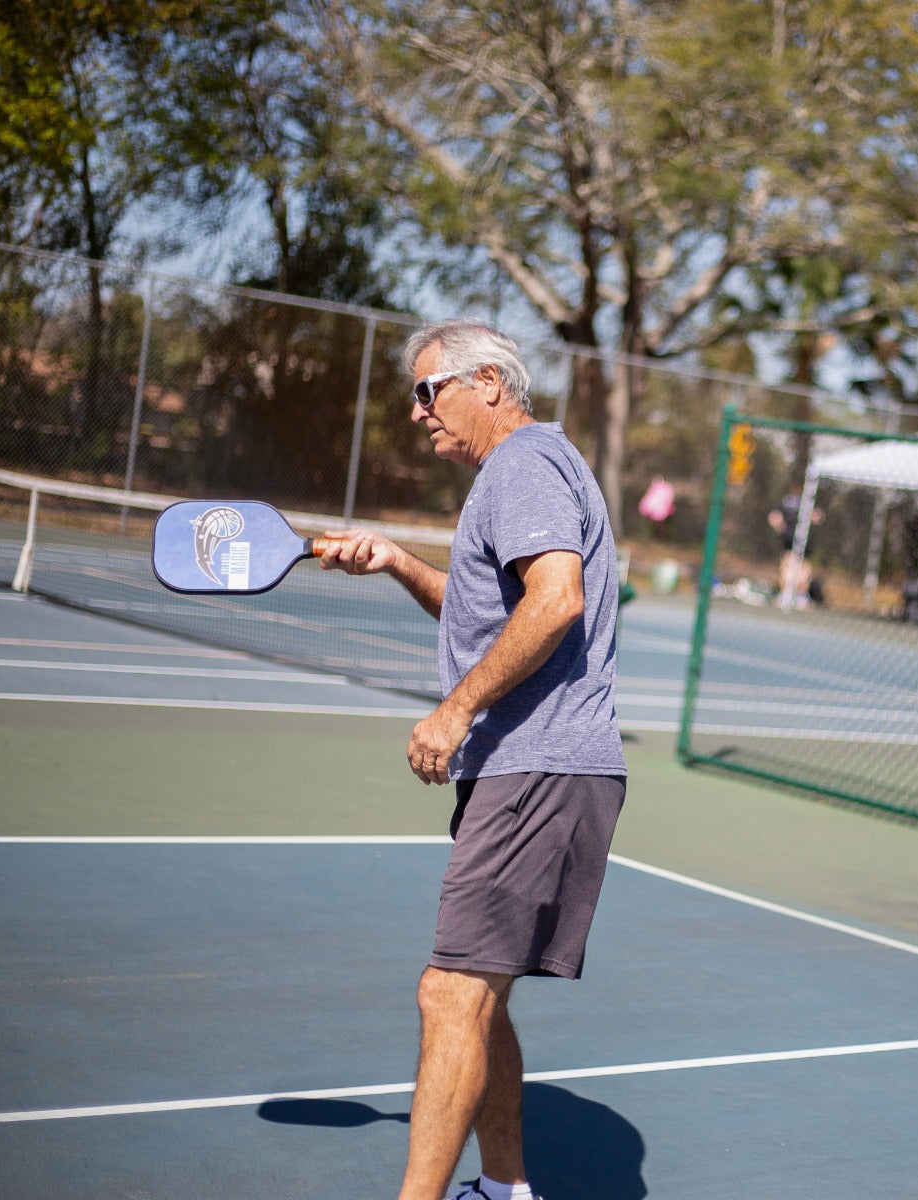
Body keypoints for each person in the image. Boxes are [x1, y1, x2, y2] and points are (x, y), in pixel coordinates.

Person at [318, 320, 627, 1200]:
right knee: (478, 1001)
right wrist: (396, 564)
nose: (418, 413)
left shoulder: (522, 466)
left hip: (537, 764)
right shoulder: (530, 467)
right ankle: (505, 1189)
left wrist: (454, 710)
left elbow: (556, 600)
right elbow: (491, 609)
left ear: (487, 381)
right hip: (539, 767)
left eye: (428, 390)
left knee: (448, 995)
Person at [767, 486, 822, 607]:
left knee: (804, 574)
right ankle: (785, 595)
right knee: (787, 571)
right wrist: (781, 528)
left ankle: (801, 597)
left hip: (805, 547)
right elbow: (774, 516)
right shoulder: (785, 502)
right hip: (789, 546)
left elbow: (818, 517)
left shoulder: (810, 502)